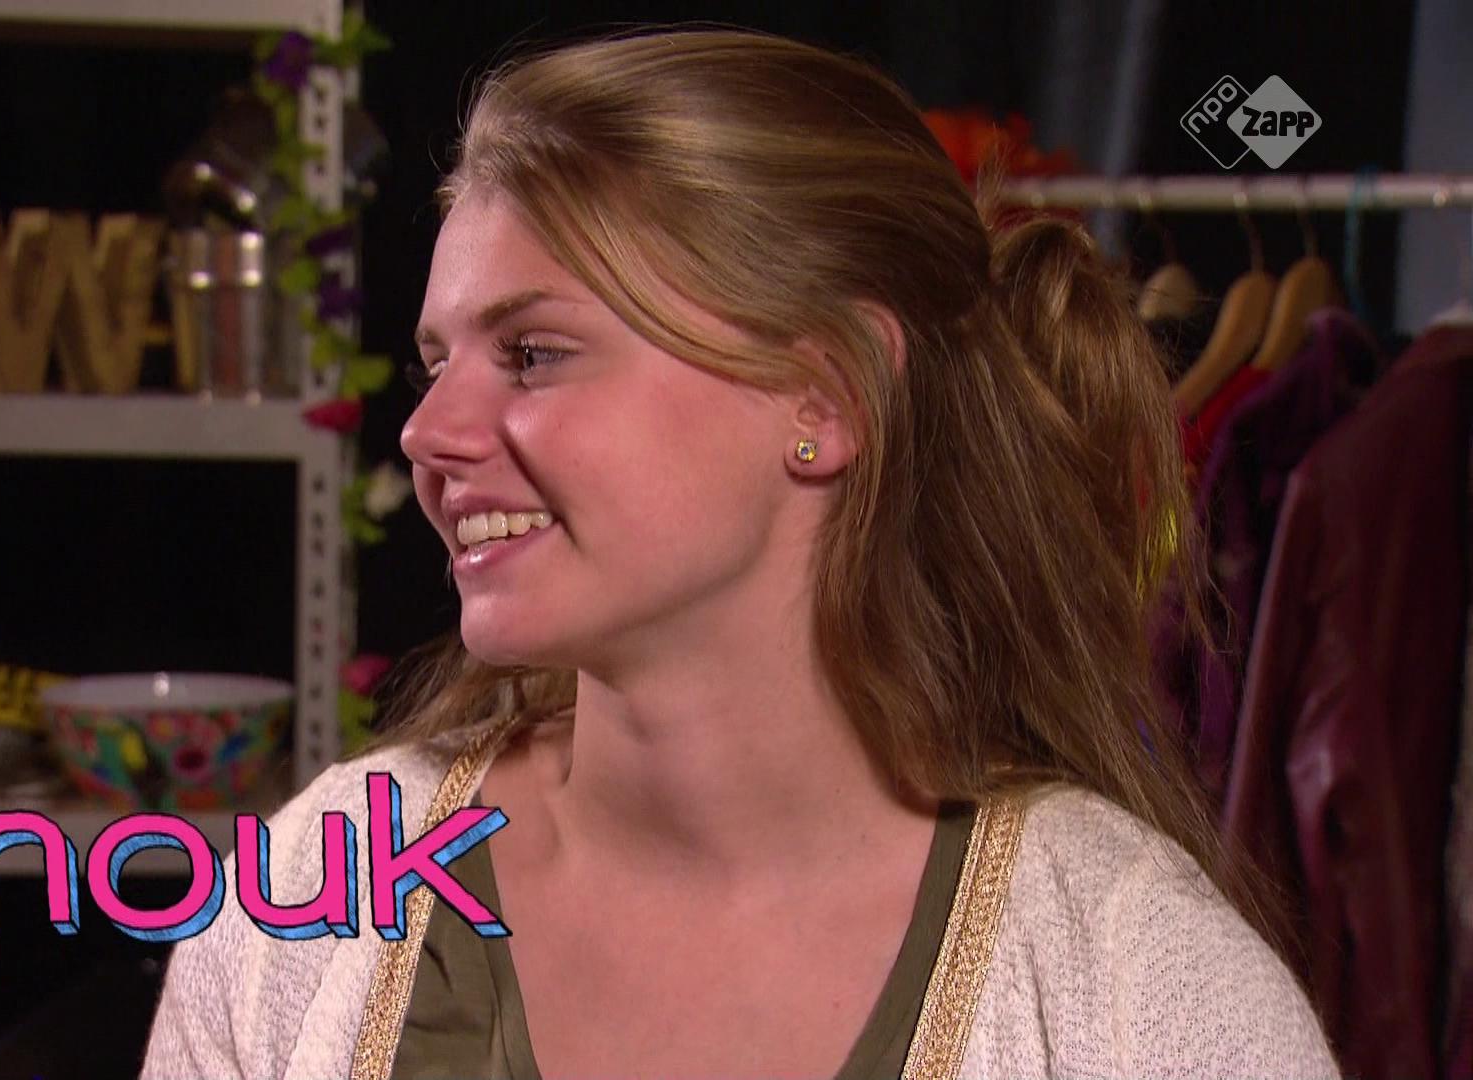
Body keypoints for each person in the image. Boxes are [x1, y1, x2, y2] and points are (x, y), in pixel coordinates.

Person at [143, 27, 1337, 1080]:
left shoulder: (1137, 986)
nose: (427, 433)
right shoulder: (315, 898)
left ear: (825, 397)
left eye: (534, 356)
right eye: (436, 363)